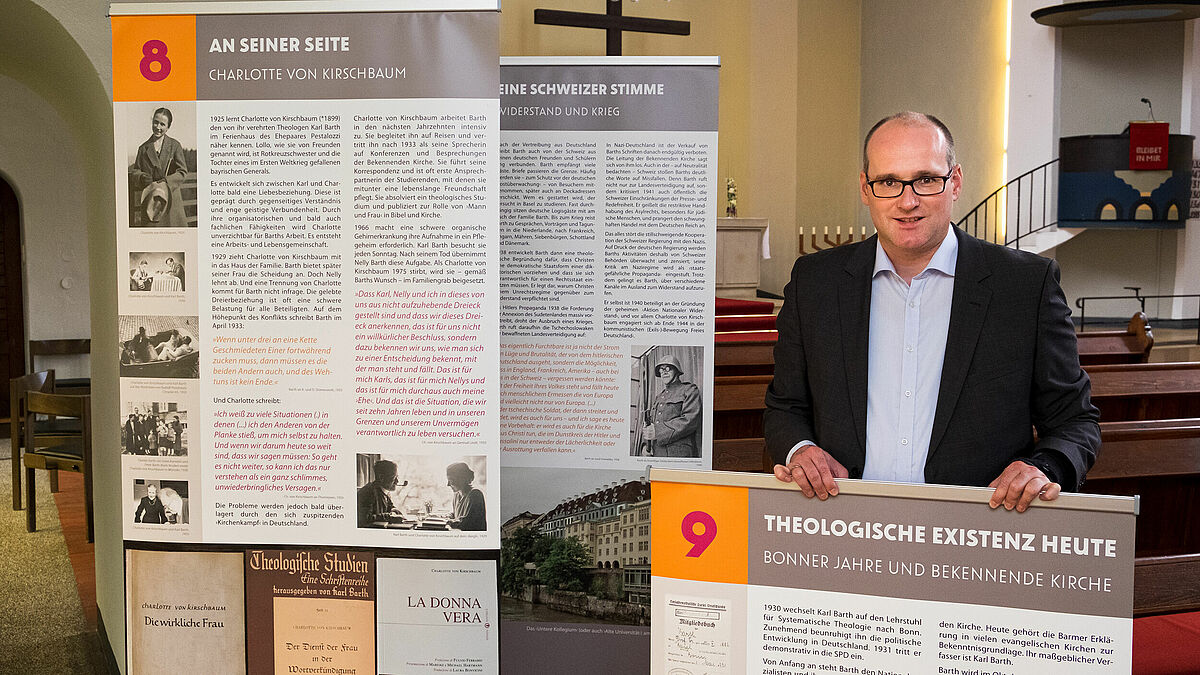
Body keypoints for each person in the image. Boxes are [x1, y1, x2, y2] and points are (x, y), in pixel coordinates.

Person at [764, 112, 1100, 514]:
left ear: (954, 181)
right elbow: (786, 406)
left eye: (925, 179)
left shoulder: (1026, 285)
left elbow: (1075, 422)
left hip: (976, 529)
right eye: (888, 182)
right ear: (865, 188)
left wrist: (1043, 466)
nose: (907, 202)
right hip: (842, 520)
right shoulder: (815, 282)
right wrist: (800, 450)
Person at [130, 107, 189, 227]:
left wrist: (166, 181)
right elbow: (135, 171)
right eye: (156, 122)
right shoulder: (143, 148)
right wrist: (141, 177)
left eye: (162, 124)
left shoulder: (174, 145)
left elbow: (182, 171)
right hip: (151, 202)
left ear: (168, 127)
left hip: (170, 202)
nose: (158, 127)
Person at [641, 355, 702, 457]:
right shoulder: (659, 397)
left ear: (677, 371)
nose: (664, 372)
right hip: (657, 453)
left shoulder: (689, 390)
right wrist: (646, 446)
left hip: (679, 454)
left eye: (668, 368)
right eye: (661, 369)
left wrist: (658, 431)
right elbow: (651, 424)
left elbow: (690, 420)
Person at [357, 459, 401, 527]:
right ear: (381, 477)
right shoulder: (368, 492)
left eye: (397, 477)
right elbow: (365, 518)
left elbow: (389, 506)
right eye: (394, 477)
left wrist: (394, 510)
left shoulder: (384, 491)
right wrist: (390, 517)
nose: (397, 481)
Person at [446, 462, 486, 531]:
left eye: (451, 480)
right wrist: (449, 516)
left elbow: (467, 524)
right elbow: (457, 515)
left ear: (461, 479)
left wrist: (449, 522)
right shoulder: (456, 495)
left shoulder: (475, 495)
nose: (448, 484)